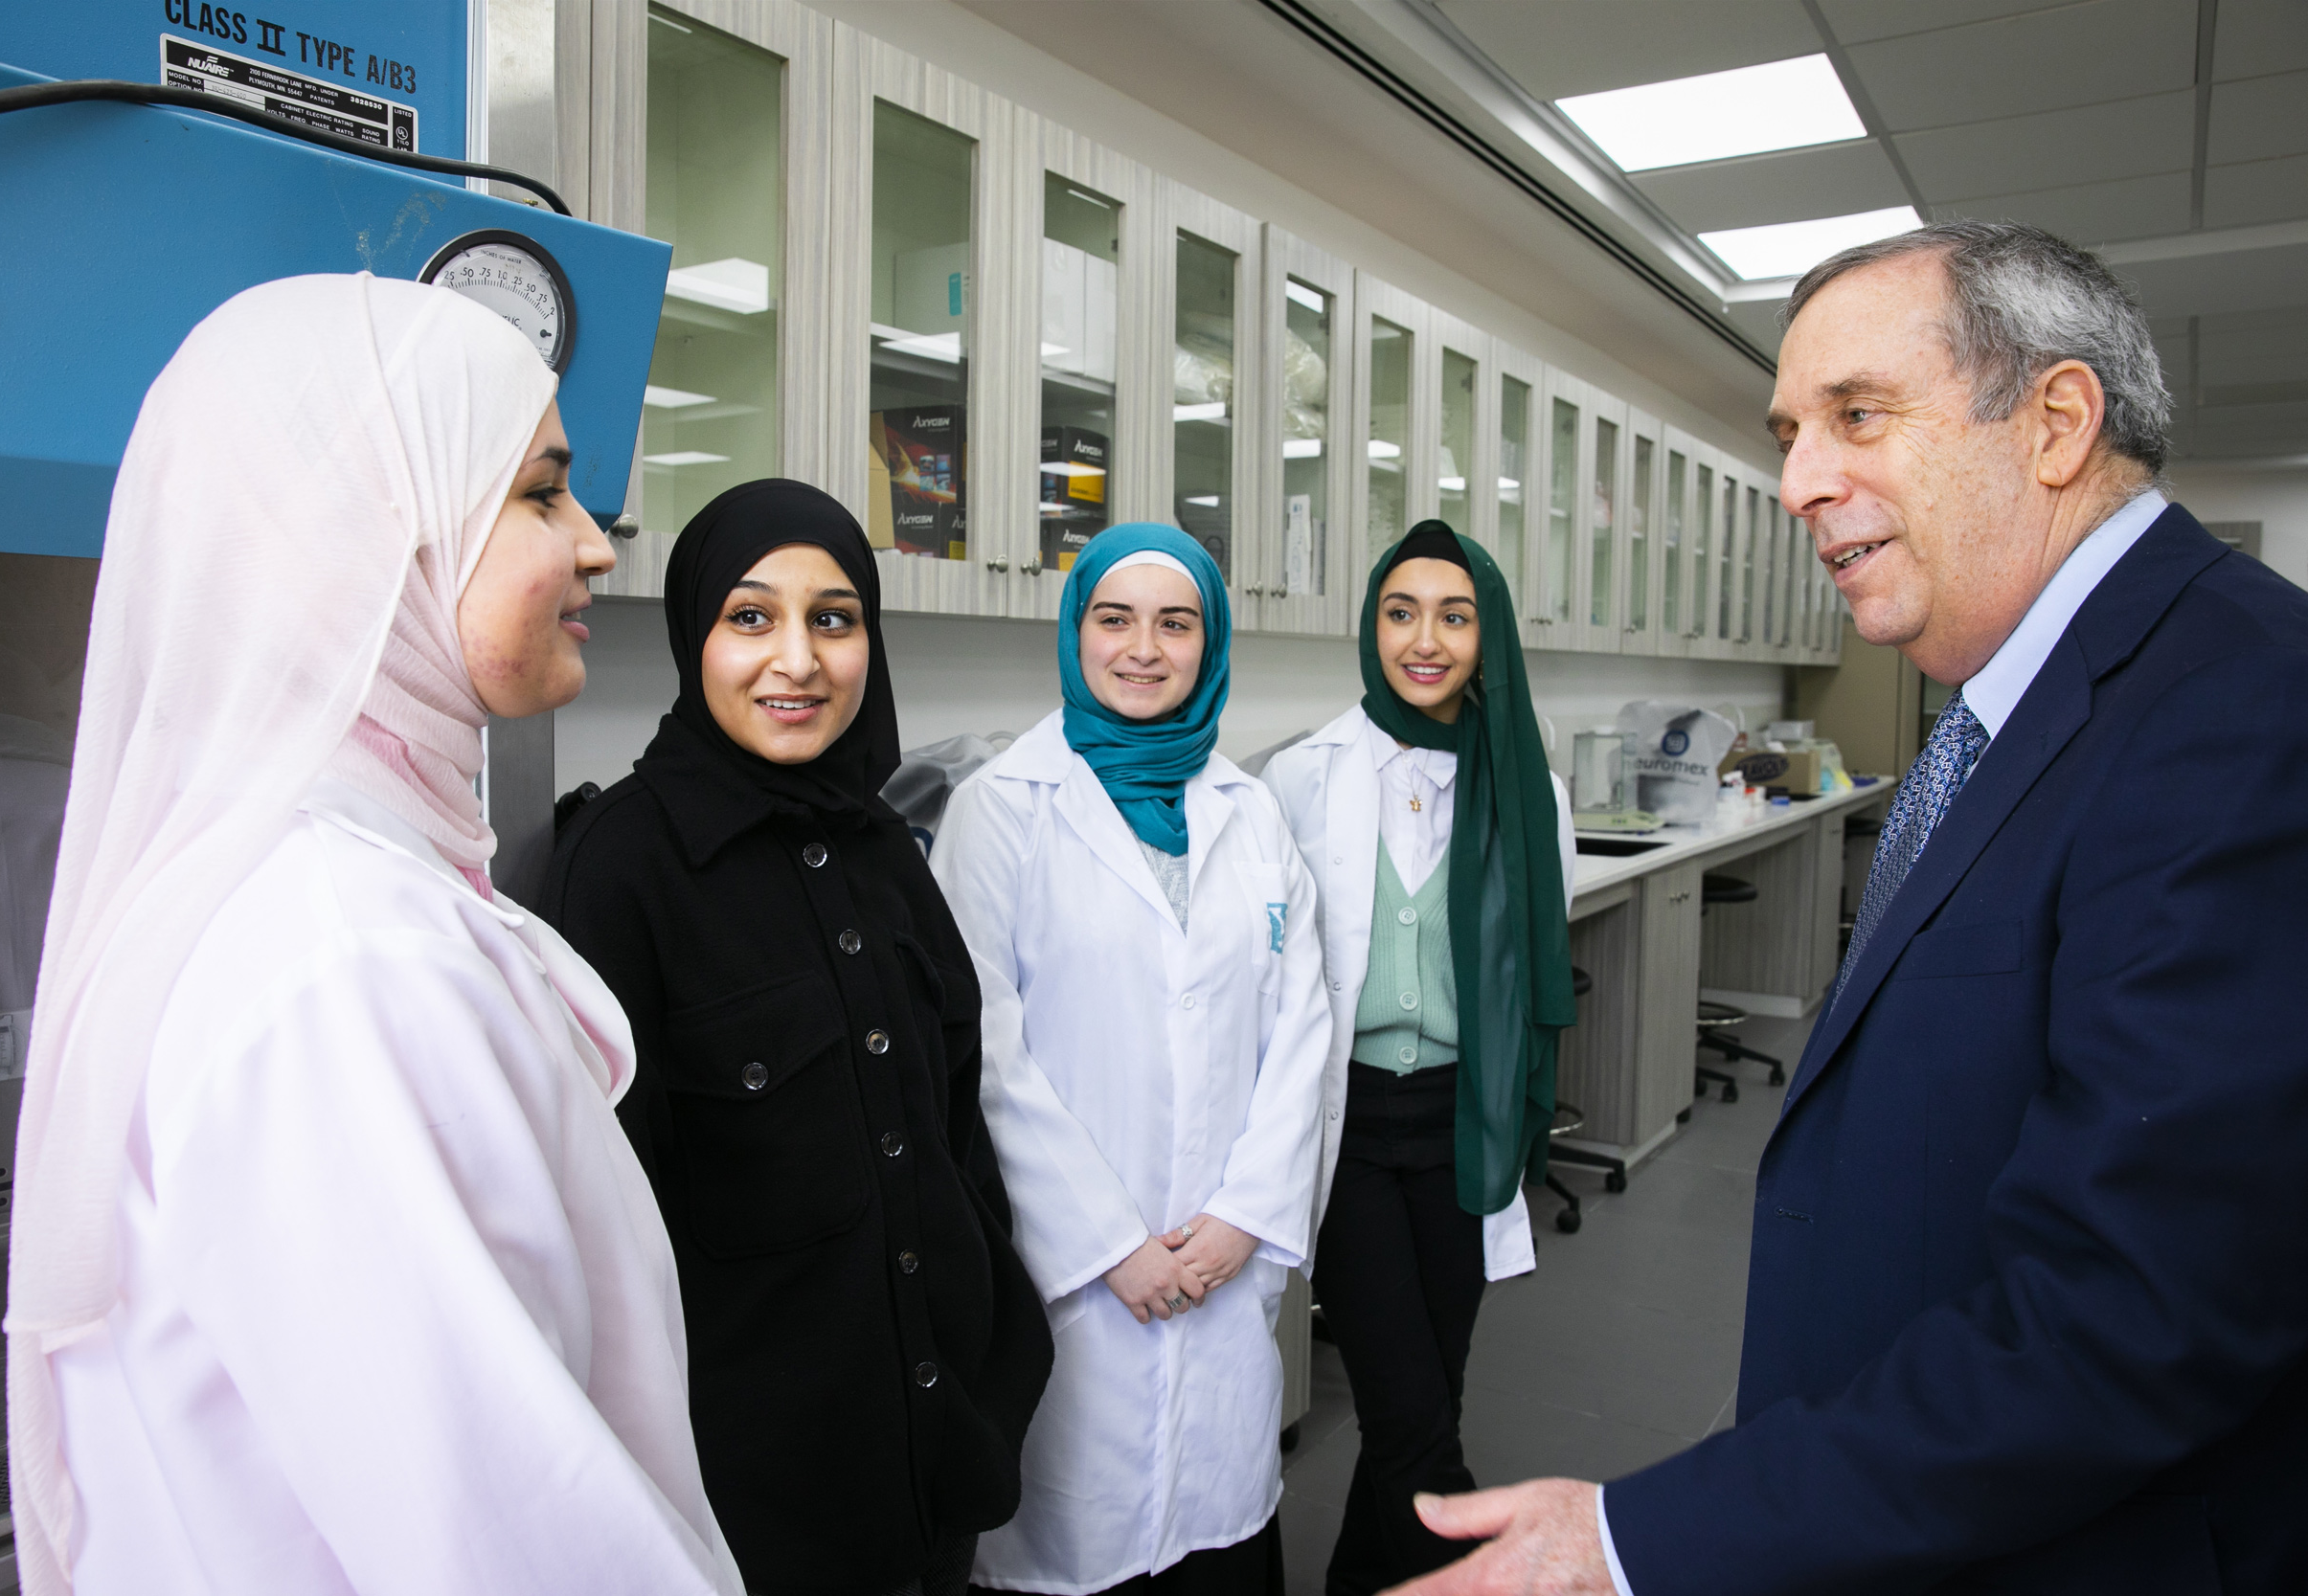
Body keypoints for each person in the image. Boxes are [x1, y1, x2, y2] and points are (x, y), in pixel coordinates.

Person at [1395, 221, 2308, 1595]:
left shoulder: (2244, 710)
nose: (1797, 481)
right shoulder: (2025, 706)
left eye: (1857, 416)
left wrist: (1640, 1540)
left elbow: (2134, 1312)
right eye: (1786, 431)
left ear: (2055, 420)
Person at [7, 274, 742, 1596]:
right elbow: (507, 1531)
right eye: (537, 492)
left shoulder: (337, 885)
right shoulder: (342, 955)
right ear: (374, 536)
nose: (595, 543)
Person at [539, 479, 1052, 1596]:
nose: (799, 660)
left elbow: (957, 1120)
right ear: (694, 634)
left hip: (932, 1466)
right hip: (754, 1508)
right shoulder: (622, 871)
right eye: (750, 617)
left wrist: (990, 1355)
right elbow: (604, 1233)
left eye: (833, 618)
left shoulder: (882, 844)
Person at [930, 523, 1332, 1596]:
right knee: (1076, 1543)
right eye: (1114, 619)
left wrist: (1240, 1219)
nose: (1143, 647)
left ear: (1212, 641)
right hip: (1076, 1282)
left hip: (1221, 1266)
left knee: (1218, 1541)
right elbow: (986, 1054)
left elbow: (1303, 1031)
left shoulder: (1251, 814)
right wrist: (1112, 1246)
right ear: (1076, 633)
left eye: (1175, 622)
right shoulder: (1001, 810)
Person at [1259, 521, 1576, 1596]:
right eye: (1400, 612)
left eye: (1454, 613)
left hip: (1463, 1119)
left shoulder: (1529, 790)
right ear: (1370, 625)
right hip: (1344, 1123)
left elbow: (1535, 963)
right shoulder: (1302, 775)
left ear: (1487, 634)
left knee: (1427, 1395)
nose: (1424, 638)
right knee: (1410, 1412)